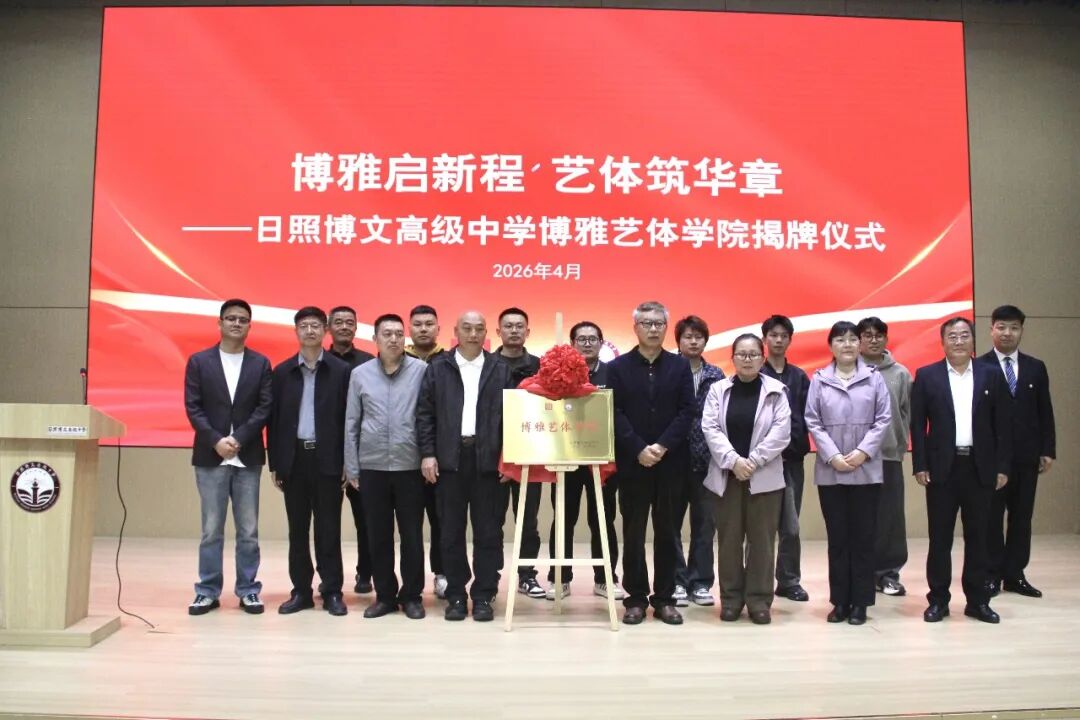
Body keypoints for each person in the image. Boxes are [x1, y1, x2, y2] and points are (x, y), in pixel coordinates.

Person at [416, 310, 516, 621]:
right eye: (467, 328)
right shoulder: (438, 367)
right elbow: (425, 414)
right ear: (455, 331)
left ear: (487, 333)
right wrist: (428, 453)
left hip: (488, 462)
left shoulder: (500, 368)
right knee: (450, 532)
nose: (473, 334)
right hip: (449, 461)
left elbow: (512, 418)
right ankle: (456, 595)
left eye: (479, 329)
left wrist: (508, 459)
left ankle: (484, 595)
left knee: (489, 532)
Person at [911, 317, 1011, 624]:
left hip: (980, 468)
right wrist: (920, 464)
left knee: (978, 537)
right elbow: (917, 424)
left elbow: (1003, 425)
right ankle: (938, 600)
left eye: (964, 335)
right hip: (942, 468)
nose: (958, 341)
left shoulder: (991, 375)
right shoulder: (927, 375)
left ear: (973, 340)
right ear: (942, 342)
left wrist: (1002, 466)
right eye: (952, 336)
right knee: (940, 539)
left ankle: (977, 601)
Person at [608, 301, 695, 626]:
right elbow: (614, 412)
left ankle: (665, 599)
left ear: (665, 327)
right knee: (633, 532)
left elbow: (687, 411)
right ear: (635, 328)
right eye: (646, 323)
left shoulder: (679, 366)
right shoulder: (618, 368)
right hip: (633, 463)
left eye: (659, 323)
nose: (653, 329)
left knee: (668, 532)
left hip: (671, 462)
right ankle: (635, 599)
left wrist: (661, 446)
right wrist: (638, 448)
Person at [183, 299, 273, 616]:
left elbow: (264, 407)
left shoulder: (260, 363)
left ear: (250, 326)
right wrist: (216, 440)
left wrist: (238, 438)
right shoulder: (199, 361)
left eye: (243, 319)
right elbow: (193, 407)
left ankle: (248, 590)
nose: (236, 323)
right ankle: (207, 591)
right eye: (231, 318)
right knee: (211, 530)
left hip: (247, 457)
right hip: (210, 457)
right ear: (219, 323)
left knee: (248, 531)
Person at [805, 321, 891, 626]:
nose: (848, 345)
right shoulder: (819, 379)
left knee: (863, 538)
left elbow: (883, 419)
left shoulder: (874, 378)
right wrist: (833, 456)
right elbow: (813, 421)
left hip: (866, 470)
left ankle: (861, 603)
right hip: (832, 472)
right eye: (840, 340)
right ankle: (840, 601)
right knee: (838, 538)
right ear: (831, 346)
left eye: (853, 339)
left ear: (860, 344)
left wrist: (862, 452)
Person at [268, 306, 352, 617]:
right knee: (297, 529)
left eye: (316, 325)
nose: (310, 331)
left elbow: (349, 419)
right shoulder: (282, 372)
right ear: (296, 331)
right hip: (294, 460)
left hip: (329, 459)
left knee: (328, 529)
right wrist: (276, 463)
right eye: (304, 326)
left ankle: (332, 591)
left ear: (325, 330)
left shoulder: (341, 371)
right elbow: (274, 421)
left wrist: (347, 461)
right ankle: (301, 591)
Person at [701, 334, 791, 624]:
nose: (747, 359)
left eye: (753, 354)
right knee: (729, 540)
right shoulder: (718, 390)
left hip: (763, 478)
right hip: (727, 477)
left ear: (763, 358)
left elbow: (781, 433)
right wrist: (733, 461)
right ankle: (730, 599)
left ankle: (759, 601)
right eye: (742, 354)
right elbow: (710, 428)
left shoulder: (776, 391)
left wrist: (753, 461)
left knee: (762, 541)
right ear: (733, 358)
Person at [344, 313, 428, 620]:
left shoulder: (421, 371)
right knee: (378, 536)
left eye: (398, 334)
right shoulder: (360, 374)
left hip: (410, 467)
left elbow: (428, 417)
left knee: (412, 536)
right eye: (386, 334)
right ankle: (385, 596)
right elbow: (352, 422)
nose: (393, 339)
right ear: (375, 339)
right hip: (372, 467)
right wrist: (352, 467)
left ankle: (413, 596)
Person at [980, 305, 1056, 599]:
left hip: (1026, 456)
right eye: (1001, 327)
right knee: (991, 518)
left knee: (1022, 517)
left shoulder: (1036, 367)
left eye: (1013, 327)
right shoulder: (979, 366)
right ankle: (991, 574)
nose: (1007, 333)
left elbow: (1044, 410)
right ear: (991, 329)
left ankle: (1015, 575)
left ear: (1022, 330)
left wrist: (1047, 448)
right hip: (992, 458)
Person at [545, 321, 624, 601]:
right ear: (572, 344)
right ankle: (559, 578)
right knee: (563, 519)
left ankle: (606, 579)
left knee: (602, 519)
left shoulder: (614, 373)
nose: (587, 343)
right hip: (565, 457)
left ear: (602, 343)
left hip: (602, 460)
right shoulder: (559, 372)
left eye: (593, 338)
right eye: (581, 339)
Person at [857, 316, 912, 597]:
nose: (874, 340)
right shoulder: (848, 370)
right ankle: (862, 574)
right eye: (867, 335)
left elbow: (907, 413)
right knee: (860, 518)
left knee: (890, 519)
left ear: (886, 339)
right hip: (855, 459)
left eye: (879, 335)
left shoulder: (900, 374)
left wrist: (900, 446)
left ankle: (888, 574)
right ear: (859, 340)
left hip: (889, 456)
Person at [494, 306, 546, 600]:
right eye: (508, 326)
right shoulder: (486, 365)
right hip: (493, 460)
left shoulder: (541, 366)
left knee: (528, 521)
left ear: (528, 332)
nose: (514, 330)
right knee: (492, 522)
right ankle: (490, 577)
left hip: (530, 456)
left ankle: (527, 575)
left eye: (519, 326)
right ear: (498, 331)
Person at [673, 315, 725, 607]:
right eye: (688, 337)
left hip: (707, 461)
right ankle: (676, 581)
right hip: (673, 459)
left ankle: (701, 582)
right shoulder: (668, 370)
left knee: (705, 525)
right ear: (678, 341)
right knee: (671, 525)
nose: (693, 342)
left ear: (705, 341)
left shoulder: (716, 374)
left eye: (698, 337)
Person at [759, 314, 811, 603]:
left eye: (783, 336)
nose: (778, 340)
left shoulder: (799, 377)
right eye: (773, 335)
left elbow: (808, 417)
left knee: (790, 526)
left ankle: (789, 580)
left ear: (790, 340)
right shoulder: (755, 373)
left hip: (791, 462)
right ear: (764, 339)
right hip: (761, 462)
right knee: (759, 527)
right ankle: (757, 580)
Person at [326, 305, 375, 595]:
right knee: (328, 523)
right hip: (328, 455)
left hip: (363, 455)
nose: (345, 327)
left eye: (350, 322)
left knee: (366, 521)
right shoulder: (320, 362)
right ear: (329, 327)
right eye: (339, 322)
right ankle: (330, 578)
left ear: (356, 328)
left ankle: (365, 573)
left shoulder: (369, 362)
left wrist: (353, 458)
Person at [405, 304, 448, 599]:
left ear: (438, 329)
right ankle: (411, 581)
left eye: (429, 324)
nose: (423, 329)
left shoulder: (449, 360)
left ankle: (441, 573)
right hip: (406, 454)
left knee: (441, 519)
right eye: (418, 324)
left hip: (439, 454)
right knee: (410, 524)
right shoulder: (396, 359)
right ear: (410, 328)